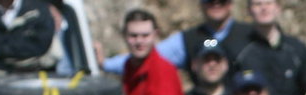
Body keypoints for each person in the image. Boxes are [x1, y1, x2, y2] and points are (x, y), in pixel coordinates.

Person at [101, 0, 253, 78]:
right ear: (200, 4)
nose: (216, 5)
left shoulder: (250, 34)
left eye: (221, 1)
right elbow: (148, 57)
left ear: (231, 4)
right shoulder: (187, 39)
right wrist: (104, 63)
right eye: (210, 1)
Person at [230, 0, 306, 95]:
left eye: (268, 3)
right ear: (249, 10)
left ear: (278, 8)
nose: (264, 8)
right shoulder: (239, 51)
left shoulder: (297, 49)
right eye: (258, 4)